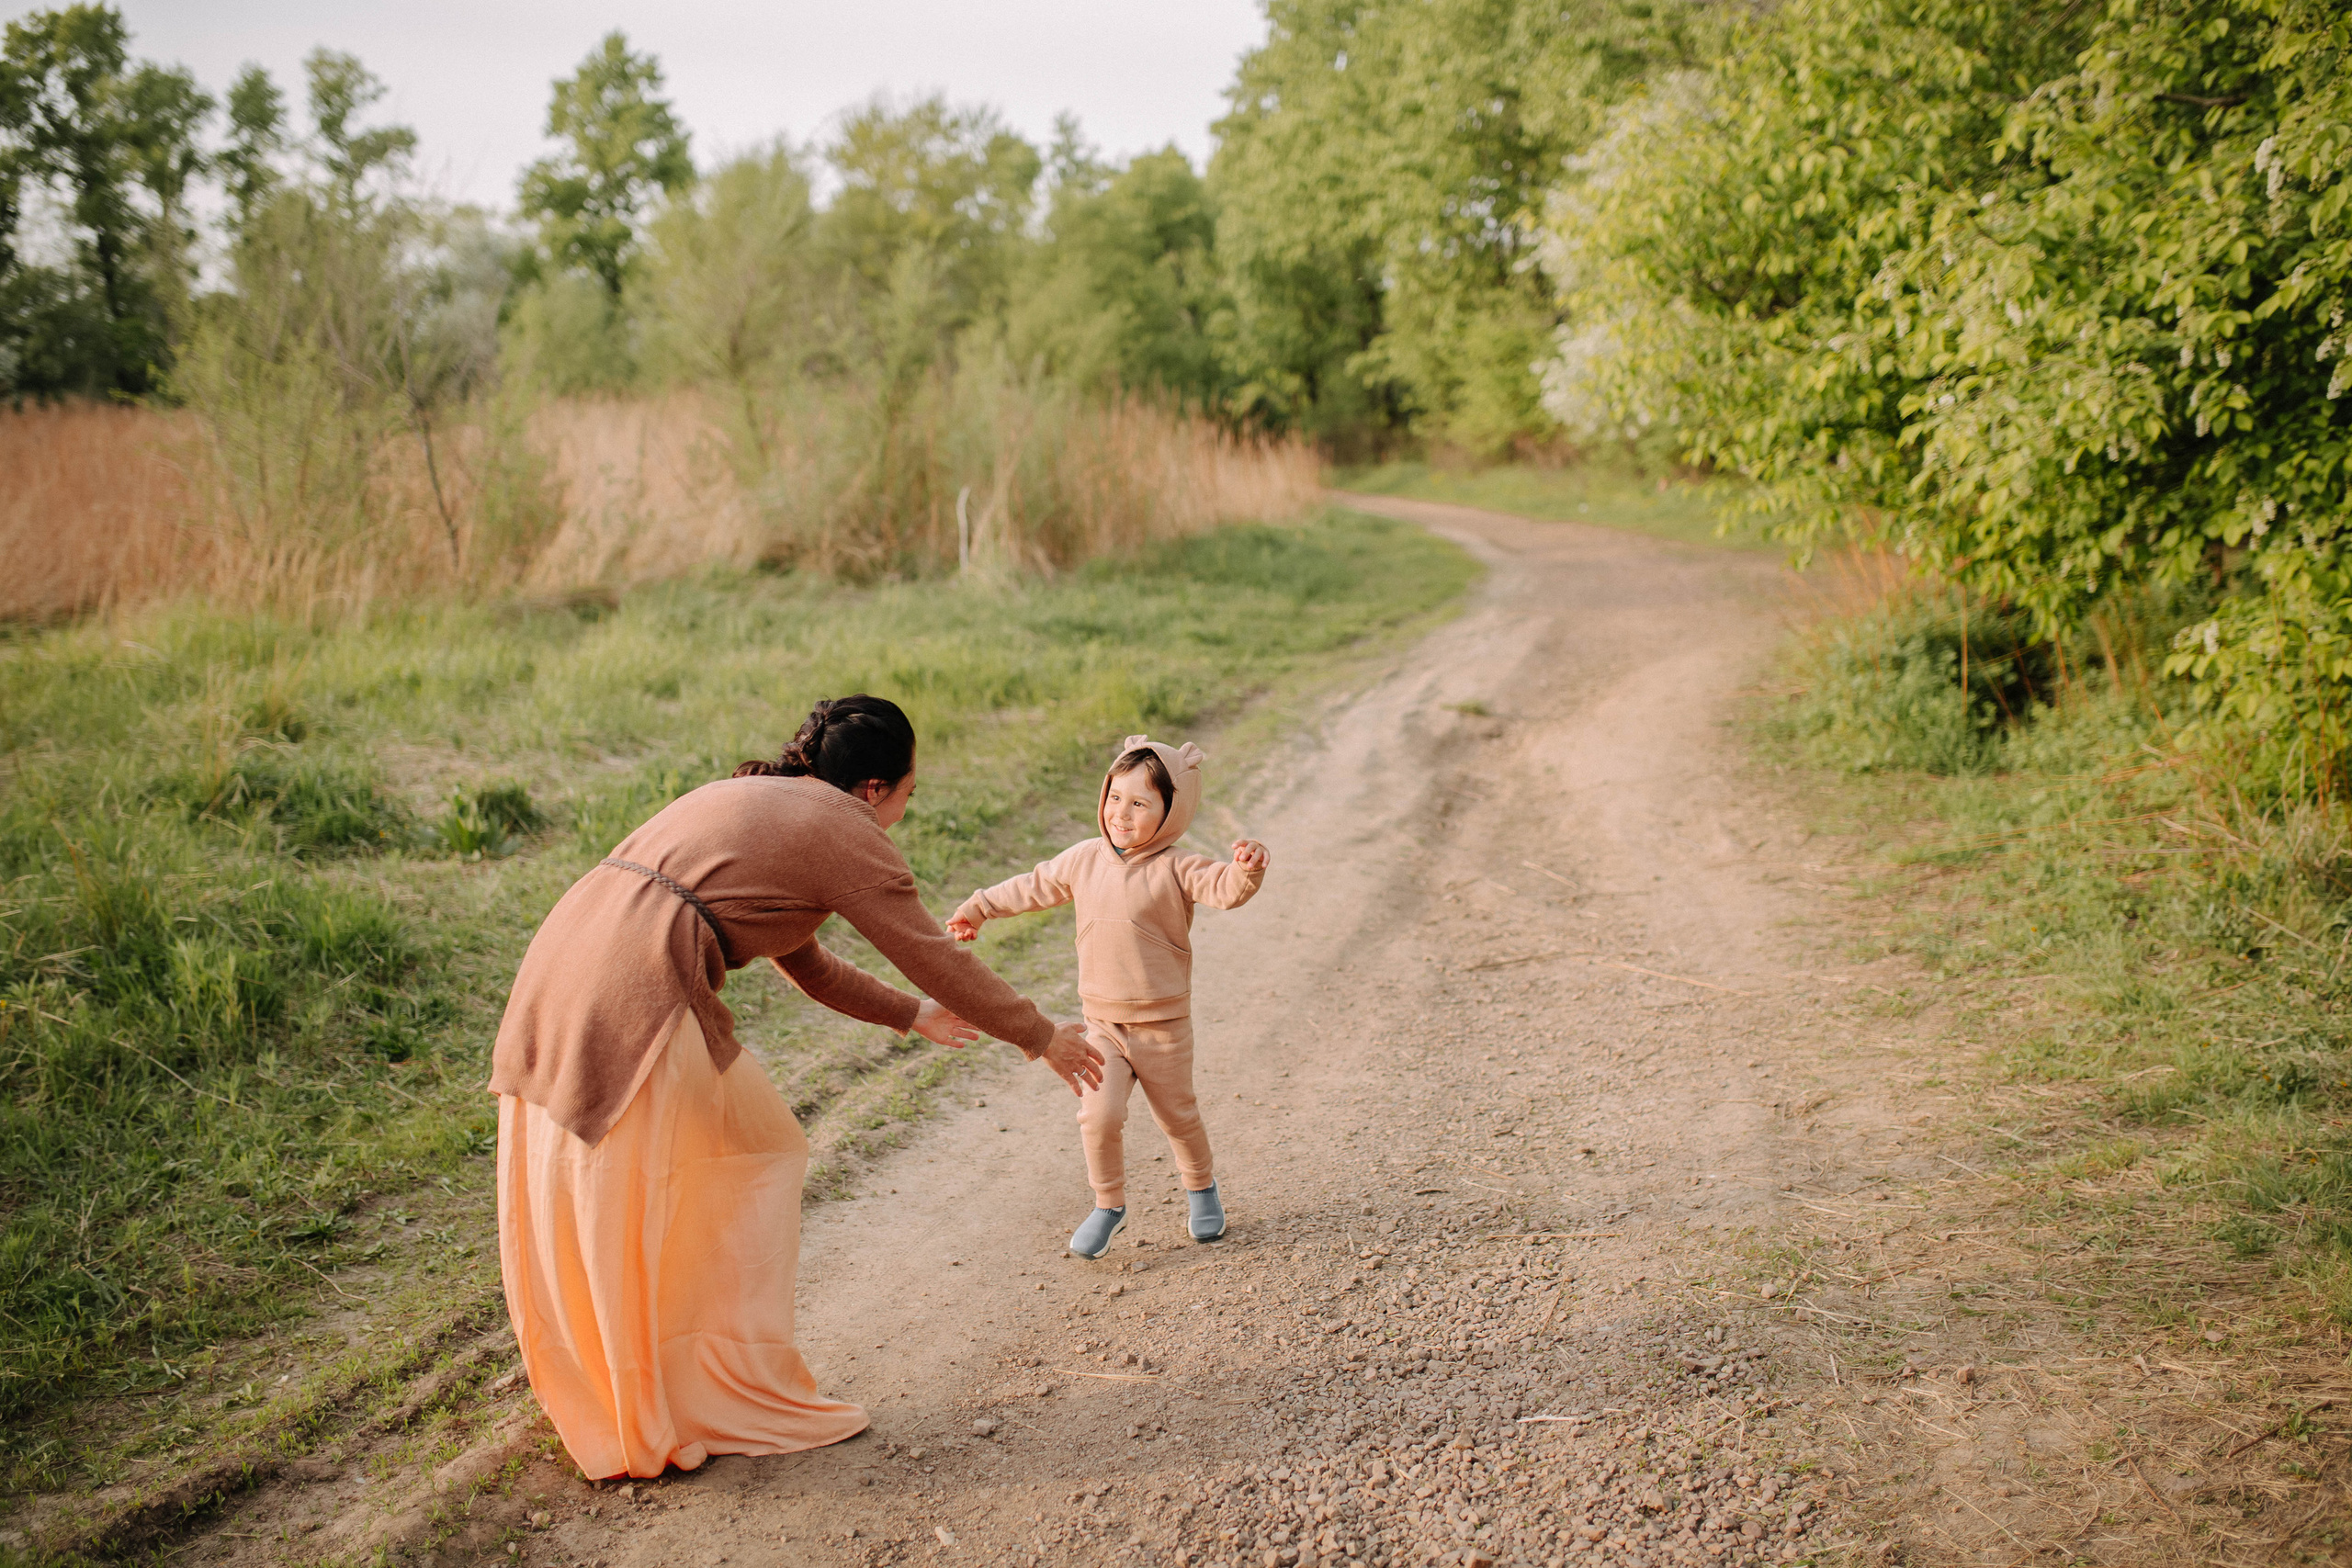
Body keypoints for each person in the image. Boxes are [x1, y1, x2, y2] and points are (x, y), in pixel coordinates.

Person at [489, 694, 1103, 1479]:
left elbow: (805, 961)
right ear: (876, 787)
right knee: (688, 1174)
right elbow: (933, 953)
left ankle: (649, 1373)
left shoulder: (764, 798)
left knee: (709, 1157)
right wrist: (1040, 1034)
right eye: (908, 795)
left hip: (565, 953)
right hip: (634, 980)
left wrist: (912, 1016)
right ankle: (687, 1387)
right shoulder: (843, 828)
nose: (902, 814)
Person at [946, 736, 1269, 1258]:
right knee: (1097, 1117)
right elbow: (1033, 885)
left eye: (1140, 804)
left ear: (1171, 810)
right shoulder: (1083, 859)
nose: (1122, 814)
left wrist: (1248, 869)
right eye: (1115, 797)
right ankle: (1108, 1204)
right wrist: (979, 907)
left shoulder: (1177, 866)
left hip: (1163, 1027)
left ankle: (1202, 1189)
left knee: (1178, 1116)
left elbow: (1225, 888)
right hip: (1103, 1026)